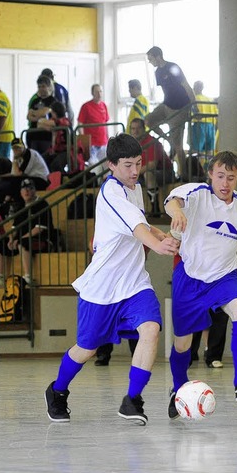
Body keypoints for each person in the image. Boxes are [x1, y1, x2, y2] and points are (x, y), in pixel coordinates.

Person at [44, 133, 180, 425]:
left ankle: (132, 400)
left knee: (151, 329)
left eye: (139, 164)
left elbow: (142, 223)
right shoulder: (111, 192)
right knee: (87, 349)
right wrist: (158, 245)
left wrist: (161, 235)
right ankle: (57, 390)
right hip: (102, 289)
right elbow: (135, 228)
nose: (134, 171)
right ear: (111, 165)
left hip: (133, 284)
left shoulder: (136, 188)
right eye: (128, 165)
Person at [164, 150, 237, 418]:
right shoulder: (197, 194)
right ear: (211, 175)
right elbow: (171, 201)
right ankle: (177, 388)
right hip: (191, 278)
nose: (225, 183)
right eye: (220, 176)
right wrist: (177, 214)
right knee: (182, 343)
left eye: (231, 177)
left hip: (223, 276)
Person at [145, 46, 195, 179]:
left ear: (157, 56)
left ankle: (184, 175)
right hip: (167, 104)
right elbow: (165, 91)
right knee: (149, 120)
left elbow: (186, 86)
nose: (150, 62)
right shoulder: (157, 72)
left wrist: (194, 105)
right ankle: (169, 141)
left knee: (179, 145)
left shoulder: (173, 67)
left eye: (151, 59)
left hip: (180, 107)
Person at [7, 178, 55, 285]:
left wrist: (20, 239)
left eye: (29, 188)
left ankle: (28, 276)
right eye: (24, 189)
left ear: (34, 190)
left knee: (22, 243)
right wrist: (10, 239)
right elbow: (14, 228)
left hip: (42, 240)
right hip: (22, 239)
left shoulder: (42, 204)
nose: (26, 191)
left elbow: (39, 229)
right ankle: (0, 277)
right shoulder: (20, 207)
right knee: (0, 244)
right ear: (20, 192)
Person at [129, 117, 174, 215]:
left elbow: (151, 165)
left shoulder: (150, 141)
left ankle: (155, 208)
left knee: (148, 174)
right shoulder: (132, 144)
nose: (135, 131)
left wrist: (131, 173)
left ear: (144, 129)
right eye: (133, 128)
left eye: (138, 128)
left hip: (165, 173)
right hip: (143, 173)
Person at [0, 138, 50, 208]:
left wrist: (15, 160)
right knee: (1, 183)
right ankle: (1, 206)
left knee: (15, 182)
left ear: (23, 147)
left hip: (41, 180)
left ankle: (15, 205)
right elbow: (13, 173)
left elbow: (18, 174)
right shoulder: (20, 158)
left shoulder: (29, 153)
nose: (16, 150)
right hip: (29, 179)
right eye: (14, 149)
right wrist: (0, 177)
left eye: (18, 148)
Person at [77, 84, 110, 174]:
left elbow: (106, 123)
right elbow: (80, 123)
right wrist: (84, 141)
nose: (99, 94)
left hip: (103, 142)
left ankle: (107, 184)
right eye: (97, 92)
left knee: (109, 166)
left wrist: (108, 139)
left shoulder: (104, 106)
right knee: (93, 166)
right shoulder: (86, 106)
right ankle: (94, 184)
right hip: (92, 144)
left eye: (100, 91)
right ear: (92, 93)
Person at [27, 75, 57, 155]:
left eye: (43, 86)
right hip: (33, 136)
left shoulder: (53, 101)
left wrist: (34, 112)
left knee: (46, 160)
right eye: (39, 87)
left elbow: (45, 112)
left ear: (49, 87)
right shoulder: (35, 101)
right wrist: (40, 117)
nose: (41, 89)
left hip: (46, 137)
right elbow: (29, 116)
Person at [190, 81, 218, 158]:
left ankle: (196, 167)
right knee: (209, 151)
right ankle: (208, 168)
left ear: (194, 88)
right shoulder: (209, 99)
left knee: (196, 151)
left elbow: (191, 113)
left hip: (199, 125)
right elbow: (216, 113)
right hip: (211, 125)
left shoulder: (195, 99)